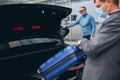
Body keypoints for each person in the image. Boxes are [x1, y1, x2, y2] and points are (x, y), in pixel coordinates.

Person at [77, 0, 120, 80]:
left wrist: (82, 42)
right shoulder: (112, 19)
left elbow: (92, 47)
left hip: (105, 74)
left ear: (109, 2)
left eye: (98, 6)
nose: (97, 10)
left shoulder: (116, 20)